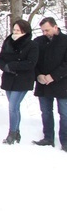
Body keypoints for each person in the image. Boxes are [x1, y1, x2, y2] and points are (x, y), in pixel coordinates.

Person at [0, 19, 38, 145]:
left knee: (12, 106)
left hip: (22, 80)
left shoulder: (31, 45)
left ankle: (12, 133)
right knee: (14, 107)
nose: (15, 32)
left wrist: (14, 65)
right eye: (14, 30)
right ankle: (17, 131)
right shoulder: (8, 42)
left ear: (24, 32)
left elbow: (31, 63)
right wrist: (5, 67)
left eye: (18, 30)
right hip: (9, 78)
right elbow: (0, 58)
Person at [32, 17, 67, 149]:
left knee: (64, 113)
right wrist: (38, 75)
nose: (45, 33)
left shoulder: (65, 41)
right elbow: (33, 61)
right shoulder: (38, 42)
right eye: (43, 31)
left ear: (55, 27)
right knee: (46, 111)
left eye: (47, 30)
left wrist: (53, 76)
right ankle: (48, 137)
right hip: (43, 83)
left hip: (62, 83)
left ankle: (65, 140)